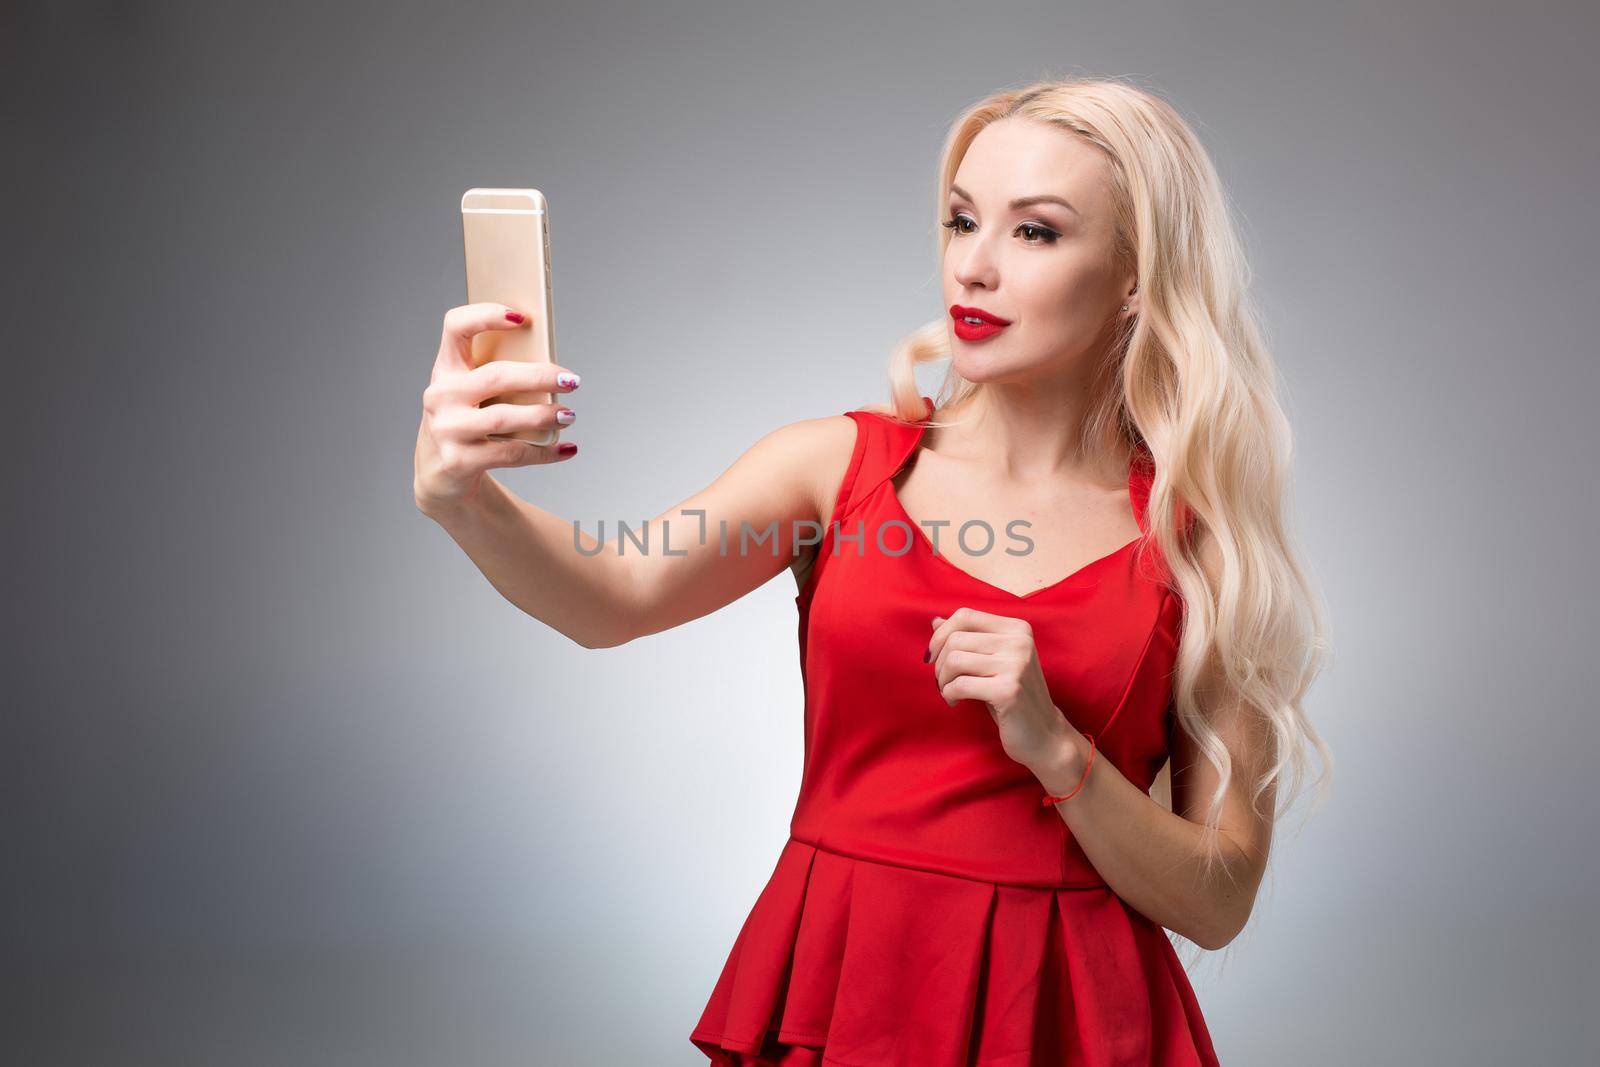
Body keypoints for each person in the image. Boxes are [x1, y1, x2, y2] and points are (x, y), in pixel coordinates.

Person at [413, 76, 1332, 1067]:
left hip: (1071, 1020)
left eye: (1035, 233)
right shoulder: (832, 468)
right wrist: (468, 500)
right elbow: (611, 593)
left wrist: (1057, 749)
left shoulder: (1204, 549)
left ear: (1136, 277)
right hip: (844, 996)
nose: (973, 267)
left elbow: (1218, 896)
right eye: (961, 219)